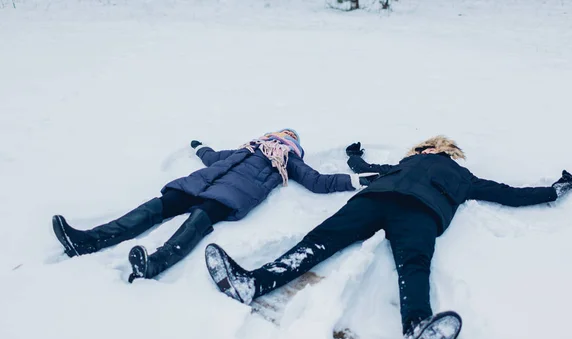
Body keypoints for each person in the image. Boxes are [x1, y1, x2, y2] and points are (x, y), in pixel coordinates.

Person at [204, 136, 572, 339]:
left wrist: (552, 191)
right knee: (318, 241)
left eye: (439, 148)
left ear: (448, 153)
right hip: (373, 201)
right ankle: (252, 283)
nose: (431, 151)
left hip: (420, 212)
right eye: (427, 147)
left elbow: (510, 193)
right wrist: (354, 155)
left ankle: (417, 325)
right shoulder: (402, 164)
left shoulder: (464, 176)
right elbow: (364, 169)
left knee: (414, 263)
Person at [52, 129, 377, 283]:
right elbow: (212, 157)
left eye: (284, 140)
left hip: (228, 197)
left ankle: (153, 265)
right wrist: (200, 146)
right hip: (197, 183)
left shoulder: (287, 161)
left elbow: (317, 181)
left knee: (196, 223)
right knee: (154, 208)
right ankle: (87, 240)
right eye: (276, 137)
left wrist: (354, 181)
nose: (277, 142)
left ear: (290, 146)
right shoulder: (245, 150)